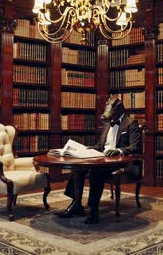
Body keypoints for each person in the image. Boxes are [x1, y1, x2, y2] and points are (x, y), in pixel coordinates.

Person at [56, 94, 141, 224]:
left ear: (119, 110)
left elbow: (135, 147)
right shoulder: (108, 124)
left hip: (118, 162)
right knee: (77, 168)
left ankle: (94, 210)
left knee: (96, 173)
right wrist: (90, 148)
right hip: (102, 158)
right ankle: (76, 204)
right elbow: (101, 146)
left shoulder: (131, 123)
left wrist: (118, 150)